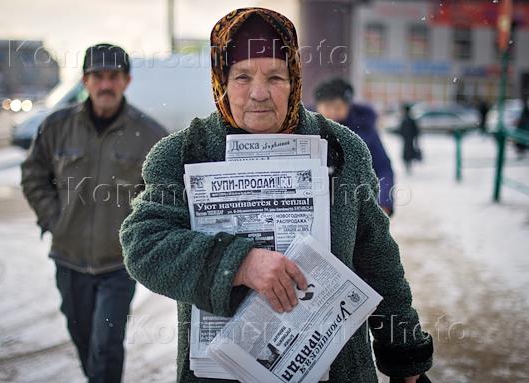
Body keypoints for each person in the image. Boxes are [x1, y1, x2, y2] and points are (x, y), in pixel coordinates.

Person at [120, 8, 433, 383]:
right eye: (242, 77)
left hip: (337, 371)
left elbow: (376, 257)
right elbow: (144, 245)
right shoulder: (184, 153)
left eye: (275, 76)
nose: (259, 93)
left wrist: (405, 357)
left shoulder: (341, 147)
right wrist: (239, 264)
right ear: (221, 79)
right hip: (221, 374)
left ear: (295, 79)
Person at [21, 43, 167, 382]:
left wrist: (139, 234)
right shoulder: (57, 126)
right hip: (68, 259)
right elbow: (33, 175)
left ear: (126, 81)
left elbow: (161, 193)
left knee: (107, 345)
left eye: (113, 76)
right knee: (84, 340)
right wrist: (54, 220)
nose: (105, 84)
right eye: (97, 76)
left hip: (118, 264)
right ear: (85, 80)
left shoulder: (149, 134)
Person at [314, 78, 395, 215]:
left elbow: (383, 168)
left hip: (357, 207)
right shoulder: (307, 129)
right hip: (317, 207)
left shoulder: (365, 131)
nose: (332, 113)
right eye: (327, 107)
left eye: (338, 108)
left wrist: (384, 201)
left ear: (348, 106)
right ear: (317, 106)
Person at [399, 104, 421, 174]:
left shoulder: (407, 119)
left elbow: (415, 130)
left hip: (408, 139)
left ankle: (408, 165)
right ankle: (408, 165)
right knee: (408, 152)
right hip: (408, 139)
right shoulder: (409, 119)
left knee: (408, 152)